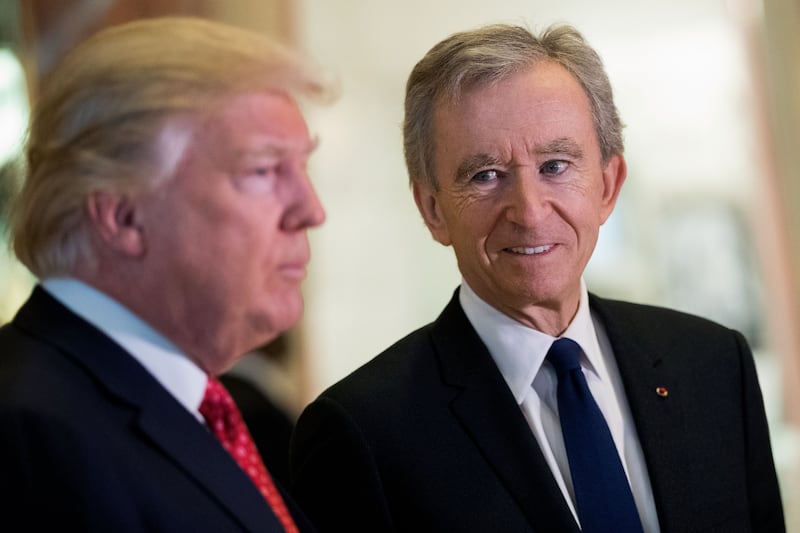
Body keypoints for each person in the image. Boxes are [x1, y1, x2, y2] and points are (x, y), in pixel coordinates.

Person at [290, 23, 785, 532]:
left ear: (608, 185)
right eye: (485, 175)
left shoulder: (713, 365)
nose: (528, 211)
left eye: (555, 165)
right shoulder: (361, 434)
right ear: (433, 209)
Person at [0, 16, 331, 532]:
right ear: (123, 217)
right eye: (263, 170)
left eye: (302, 167)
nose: (311, 210)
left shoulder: (195, 405)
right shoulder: (30, 434)